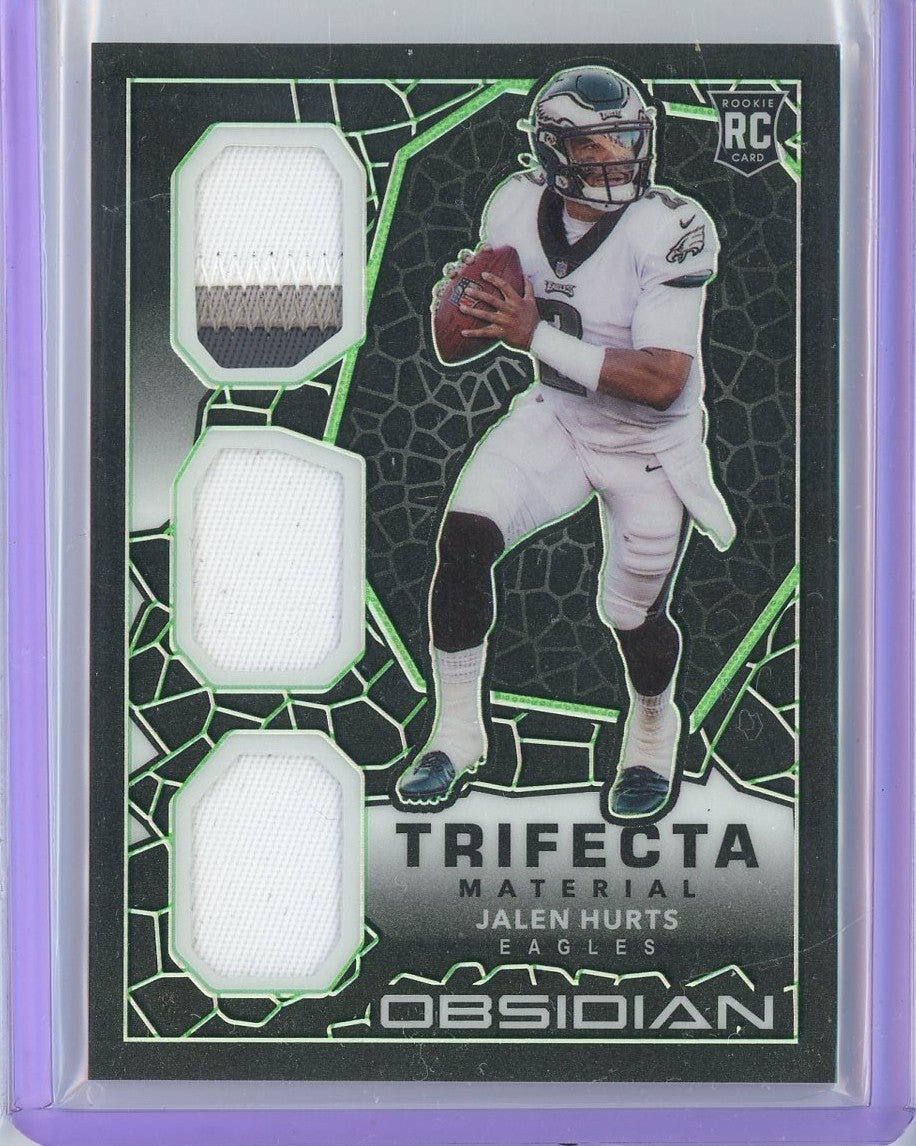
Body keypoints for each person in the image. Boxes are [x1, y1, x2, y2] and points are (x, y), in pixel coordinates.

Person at [395, 65, 736, 821]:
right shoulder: (514, 206)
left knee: (631, 615)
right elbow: (453, 348)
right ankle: (456, 735)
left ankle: (653, 731)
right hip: (558, 417)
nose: (616, 156)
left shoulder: (672, 226)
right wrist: (460, 307)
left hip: (648, 447)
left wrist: (534, 335)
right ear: (551, 150)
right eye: (591, 144)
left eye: (626, 137)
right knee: (464, 539)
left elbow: (663, 381)